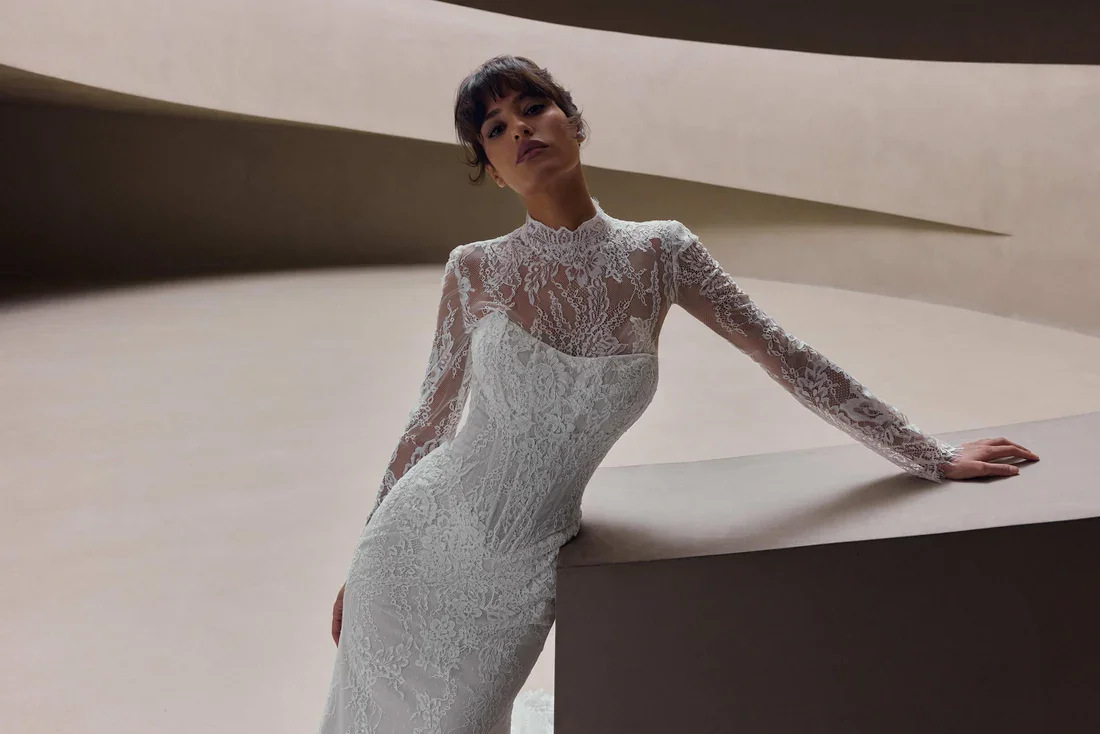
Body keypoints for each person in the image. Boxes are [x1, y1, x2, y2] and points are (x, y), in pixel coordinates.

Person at [317, 55, 1040, 734]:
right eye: (496, 129)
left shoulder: (661, 253)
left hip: (518, 576)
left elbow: (786, 357)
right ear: (494, 174)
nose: (520, 130)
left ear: (572, 121)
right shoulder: (475, 270)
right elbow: (428, 425)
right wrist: (360, 557)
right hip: (411, 551)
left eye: (534, 107)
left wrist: (928, 455)